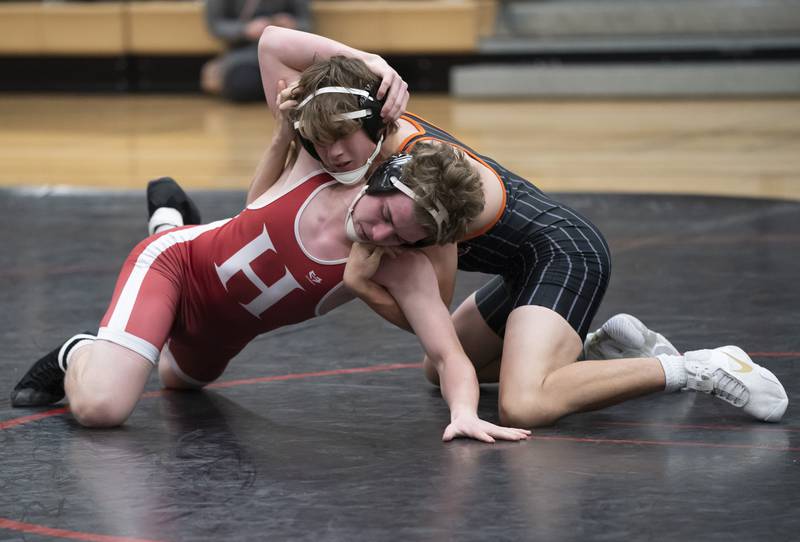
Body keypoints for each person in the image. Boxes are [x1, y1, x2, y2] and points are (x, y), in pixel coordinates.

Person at [254, 27, 789, 425]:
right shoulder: (347, 131)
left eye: (341, 147)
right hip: (518, 266)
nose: (330, 158)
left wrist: (364, 285)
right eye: (318, 145)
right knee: (438, 373)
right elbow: (273, 45)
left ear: (377, 128)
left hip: (564, 253)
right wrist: (366, 61)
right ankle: (603, 349)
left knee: (524, 402)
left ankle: (700, 367)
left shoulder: (419, 182)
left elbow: (430, 314)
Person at [10, 82, 531, 442]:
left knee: (177, 382)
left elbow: (451, 357)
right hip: (175, 269)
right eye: (385, 214)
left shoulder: (400, 267)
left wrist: (464, 412)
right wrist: (371, 70)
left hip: (222, 331)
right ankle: (76, 350)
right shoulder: (325, 164)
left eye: (402, 236)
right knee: (103, 407)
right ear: (381, 178)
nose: (380, 233)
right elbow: (280, 51)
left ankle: (171, 218)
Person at [201, 0, 311, 102]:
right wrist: (245, 29)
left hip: (284, 55)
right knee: (244, 85)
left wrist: (292, 24)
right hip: (243, 55)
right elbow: (215, 25)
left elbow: (307, 23)